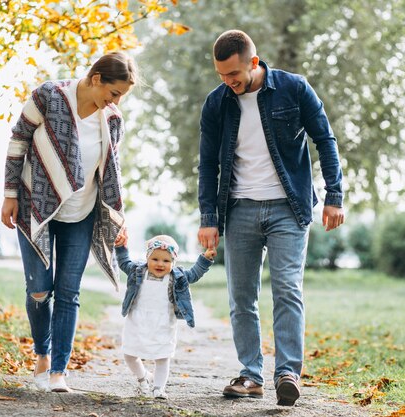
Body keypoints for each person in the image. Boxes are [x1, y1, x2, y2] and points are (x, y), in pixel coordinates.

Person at [197, 30, 345, 406]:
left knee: (287, 290)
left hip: (289, 208)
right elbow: (208, 164)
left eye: (234, 74)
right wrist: (208, 217)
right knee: (241, 297)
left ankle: (287, 374)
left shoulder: (294, 89)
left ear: (253, 62)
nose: (228, 81)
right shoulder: (217, 104)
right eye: (221, 75)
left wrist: (334, 195)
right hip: (240, 208)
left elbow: (324, 139)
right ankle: (250, 374)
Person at [0, 51, 137, 393]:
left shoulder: (113, 120)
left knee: (68, 292)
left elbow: (110, 172)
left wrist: (117, 217)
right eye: (114, 92)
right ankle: (41, 351)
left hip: (82, 212)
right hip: (37, 207)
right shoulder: (49, 96)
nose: (115, 101)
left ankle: (58, 370)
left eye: (120, 97)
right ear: (96, 79)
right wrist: (10, 193)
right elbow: (18, 140)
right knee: (39, 289)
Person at [114, 233, 216, 399]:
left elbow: (194, 274)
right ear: (147, 257)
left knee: (162, 357)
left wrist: (205, 259)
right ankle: (143, 377)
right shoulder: (138, 271)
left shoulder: (176, 277)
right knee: (129, 354)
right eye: (155, 259)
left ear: (173, 262)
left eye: (166, 261)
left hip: (163, 324)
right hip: (137, 322)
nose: (160, 264)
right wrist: (120, 247)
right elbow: (124, 262)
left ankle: (158, 388)